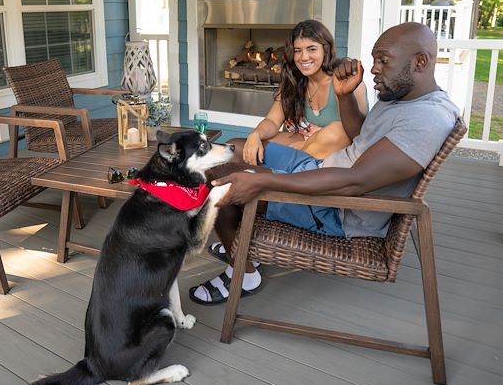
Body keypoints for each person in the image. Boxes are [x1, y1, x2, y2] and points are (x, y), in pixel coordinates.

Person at [189, 22, 460, 305]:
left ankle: (243, 272)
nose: (375, 68)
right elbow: (359, 137)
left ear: (420, 62)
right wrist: (344, 96)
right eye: (374, 60)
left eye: (383, 60)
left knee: (221, 180)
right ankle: (242, 249)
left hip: (335, 208)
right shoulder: (402, 96)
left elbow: (355, 181)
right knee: (228, 154)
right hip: (323, 171)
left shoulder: (425, 120)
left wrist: (262, 180)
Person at [238, 20, 368, 166]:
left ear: (326, 50)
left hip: (339, 148)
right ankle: (294, 161)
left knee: (337, 130)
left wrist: (304, 146)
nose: (304, 57)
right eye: (297, 51)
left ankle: (290, 161)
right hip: (307, 143)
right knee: (249, 146)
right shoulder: (294, 81)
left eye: (311, 49)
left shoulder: (344, 80)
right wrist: (255, 134)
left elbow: (358, 136)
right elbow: (272, 121)